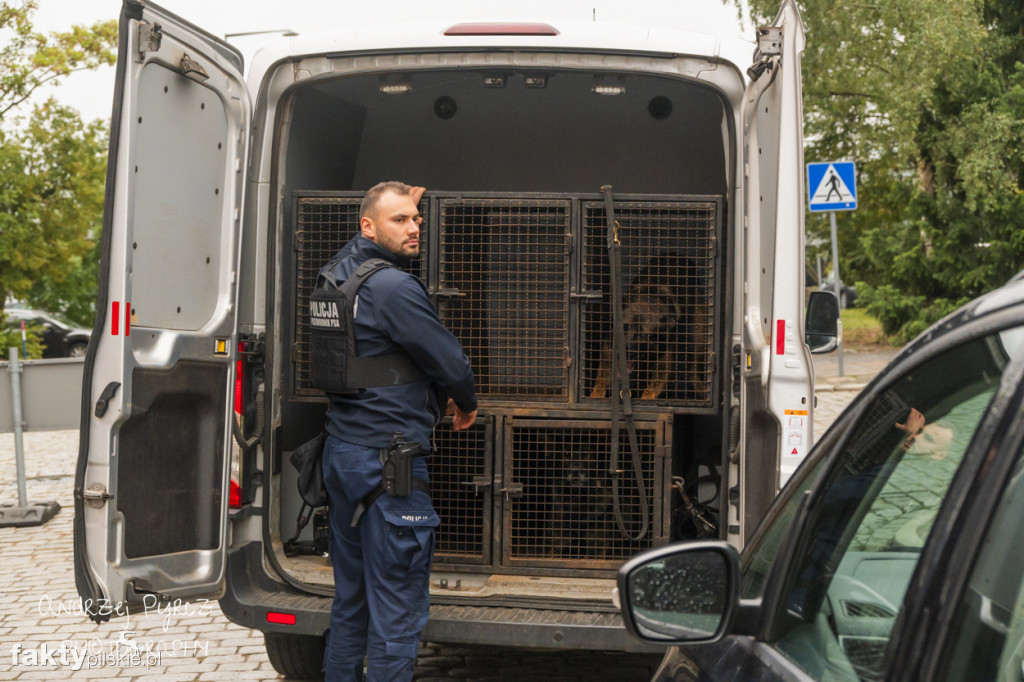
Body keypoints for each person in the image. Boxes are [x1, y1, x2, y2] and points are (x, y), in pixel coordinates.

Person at [318, 181, 477, 681]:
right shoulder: (394, 288)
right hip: (388, 467)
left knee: (351, 602)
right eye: (399, 220)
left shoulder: (334, 277)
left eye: (415, 218)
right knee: (396, 615)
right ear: (367, 226)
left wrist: (392, 198)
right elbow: (449, 361)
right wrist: (465, 402)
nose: (414, 227)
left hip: (342, 456)